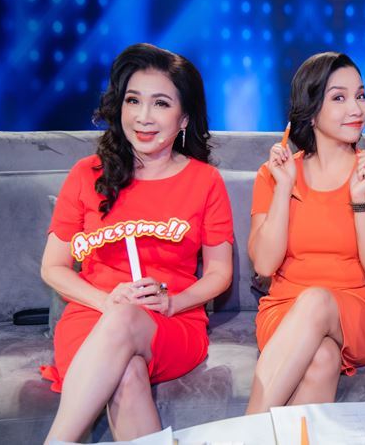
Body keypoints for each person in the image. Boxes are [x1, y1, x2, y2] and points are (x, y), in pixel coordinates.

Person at [40, 43, 233, 442]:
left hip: (173, 320)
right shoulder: (86, 174)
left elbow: (220, 272)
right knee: (127, 371)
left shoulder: (204, 181)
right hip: (93, 315)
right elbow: (53, 267)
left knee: (128, 321)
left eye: (160, 103)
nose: (143, 116)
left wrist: (173, 302)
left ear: (184, 118)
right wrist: (107, 301)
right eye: (133, 100)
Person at [246, 52, 365, 413]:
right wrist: (284, 188)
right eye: (339, 98)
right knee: (321, 359)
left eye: (360, 95)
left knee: (317, 300)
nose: (356, 108)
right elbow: (265, 265)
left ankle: (246, 431)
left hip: (362, 313)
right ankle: (275, 437)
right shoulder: (272, 175)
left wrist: (360, 200)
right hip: (284, 311)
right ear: (312, 111)